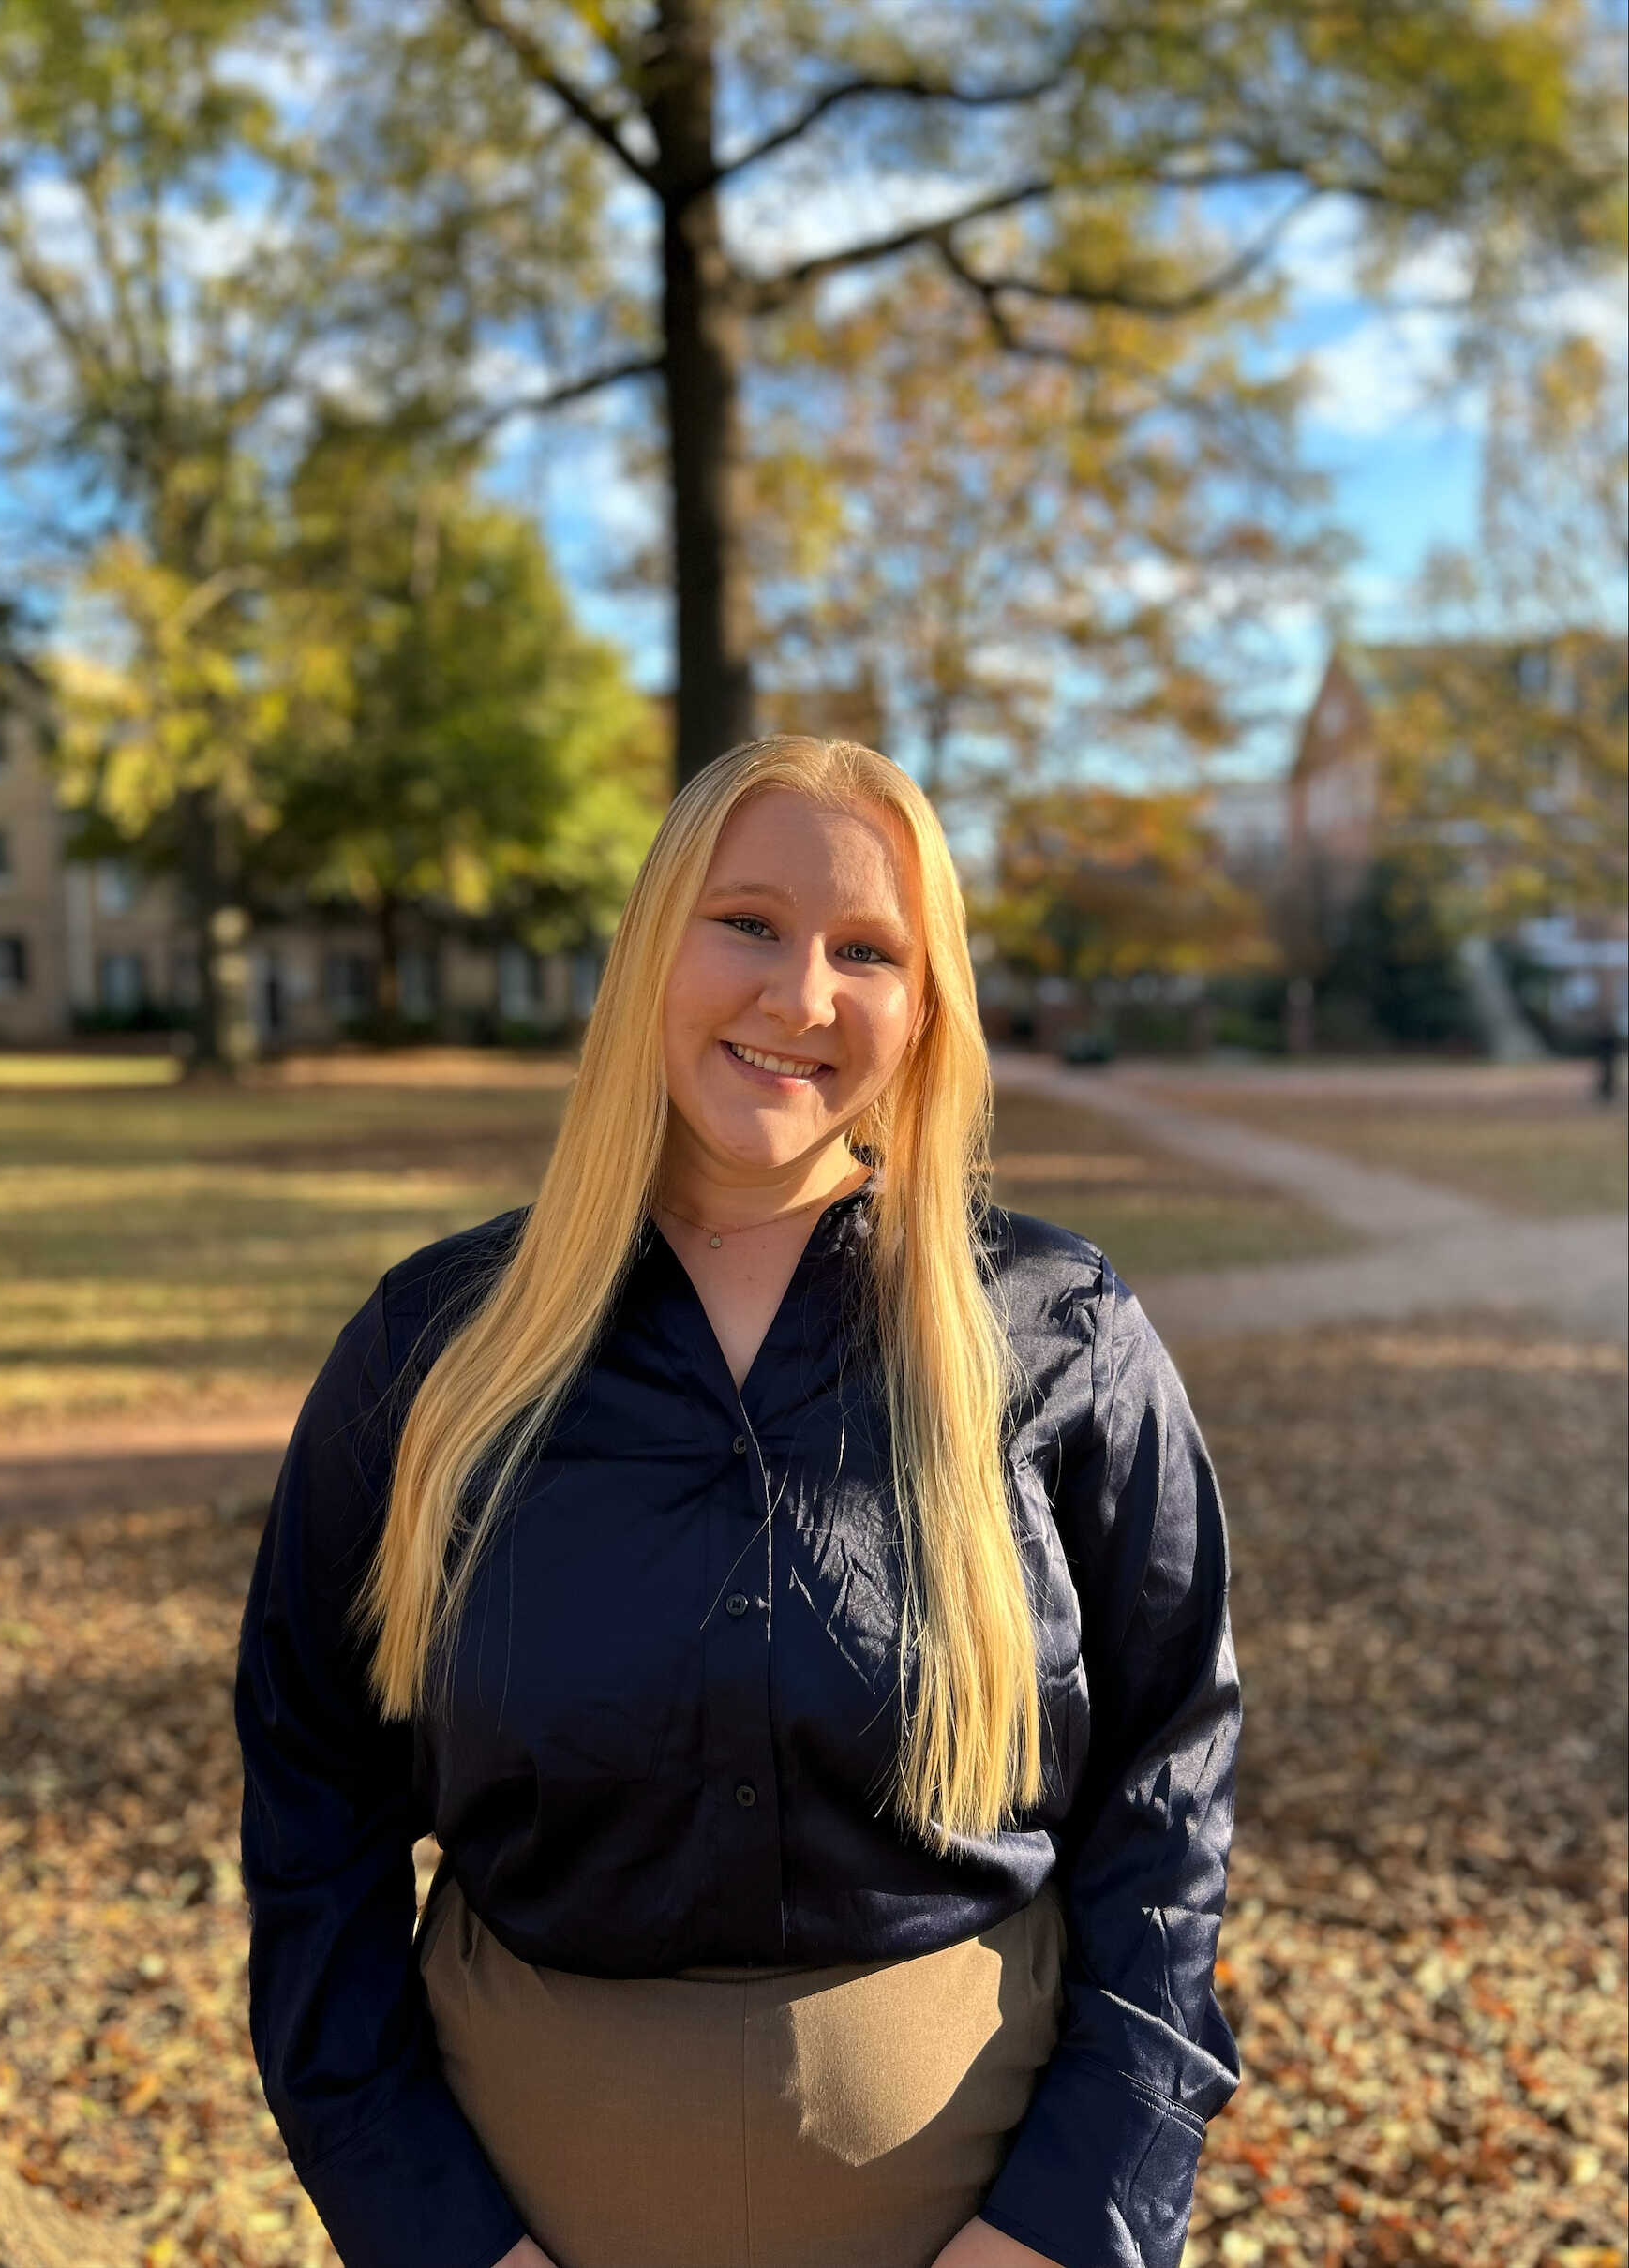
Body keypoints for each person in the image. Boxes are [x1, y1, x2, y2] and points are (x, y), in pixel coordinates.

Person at [234, 735, 1241, 2268]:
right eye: (750, 923)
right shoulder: (432, 1349)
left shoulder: (1061, 1332)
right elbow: (312, 1797)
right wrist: (427, 2230)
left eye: (868, 951)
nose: (803, 997)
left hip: (985, 2226)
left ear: (927, 1006)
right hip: (523, 2220)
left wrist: (1073, 2218)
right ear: (652, 945)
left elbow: (1168, 1784)